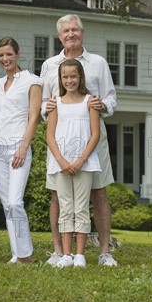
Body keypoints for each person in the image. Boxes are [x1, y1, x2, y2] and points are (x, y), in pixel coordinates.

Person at [40, 14, 119, 267]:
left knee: (98, 194)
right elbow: (42, 102)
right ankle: (59, 251)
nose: (71, 34)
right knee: (57, 197)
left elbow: (111, 98)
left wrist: (103, 104)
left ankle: (105, 252)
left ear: (82, 33)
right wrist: (47, 107)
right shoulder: (50, 65)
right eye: (66, 31)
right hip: (60, 141)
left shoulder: (98, 63)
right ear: (59, 36)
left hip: (92, 140)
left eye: (75, 30)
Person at [0, 37, 42, 264]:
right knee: (6, 204)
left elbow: (34, 118)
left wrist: (23, 147)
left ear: (18, 54)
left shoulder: (32, 81)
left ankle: (25, 255)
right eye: (1, 55)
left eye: (9, 54)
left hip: (18, 149)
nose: (5, 59)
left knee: (15, 202)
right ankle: (17, 253)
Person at [46, 59, 101, 267]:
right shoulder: (55, 103)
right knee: (65, 207)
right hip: (60, 164)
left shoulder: (90, 102)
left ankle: (80, 255)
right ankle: (66, 254)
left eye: (73, 76)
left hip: (84, 165)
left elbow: (95, 135)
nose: (69, 80)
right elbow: (50, 136)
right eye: (65, 77)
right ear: (60, 79)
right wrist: (61, 161)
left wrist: (80, 160)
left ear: (80, 78)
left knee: (81, 208)